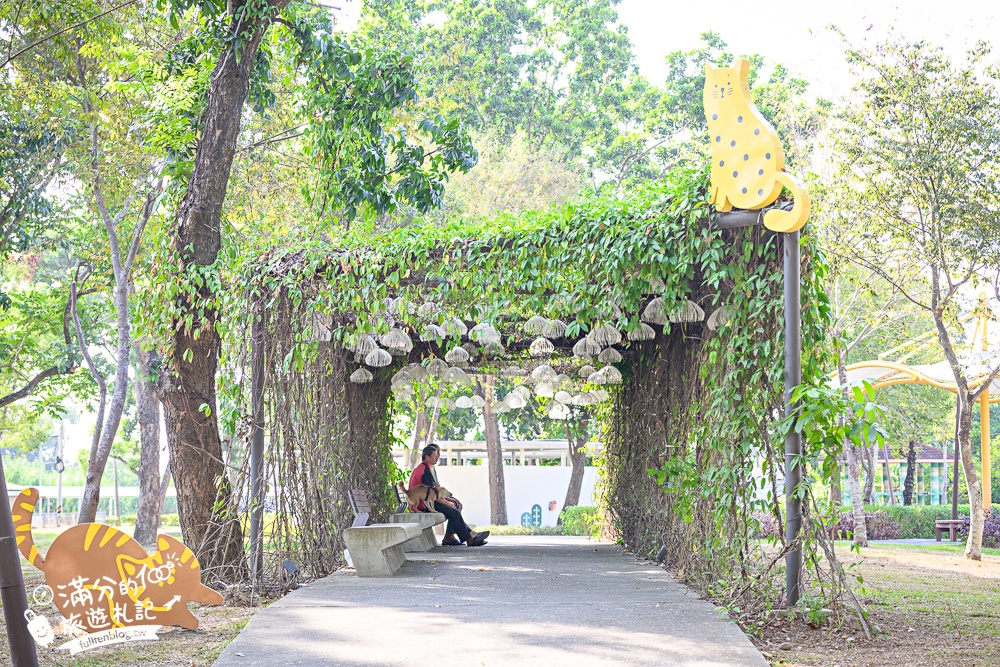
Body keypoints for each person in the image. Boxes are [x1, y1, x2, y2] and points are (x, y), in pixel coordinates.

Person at [409, 443, 489, 547]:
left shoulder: (426, 468)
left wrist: (449, 501)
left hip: (427, 502)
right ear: (427, 457)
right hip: (423, 505)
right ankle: (470, 537)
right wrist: (448, 503)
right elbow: (431, 495)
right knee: (454, 512)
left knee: (454, 509)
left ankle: (467, 536)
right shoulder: (424, 470)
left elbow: (435, 492)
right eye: (435, 455)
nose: (437, 457)